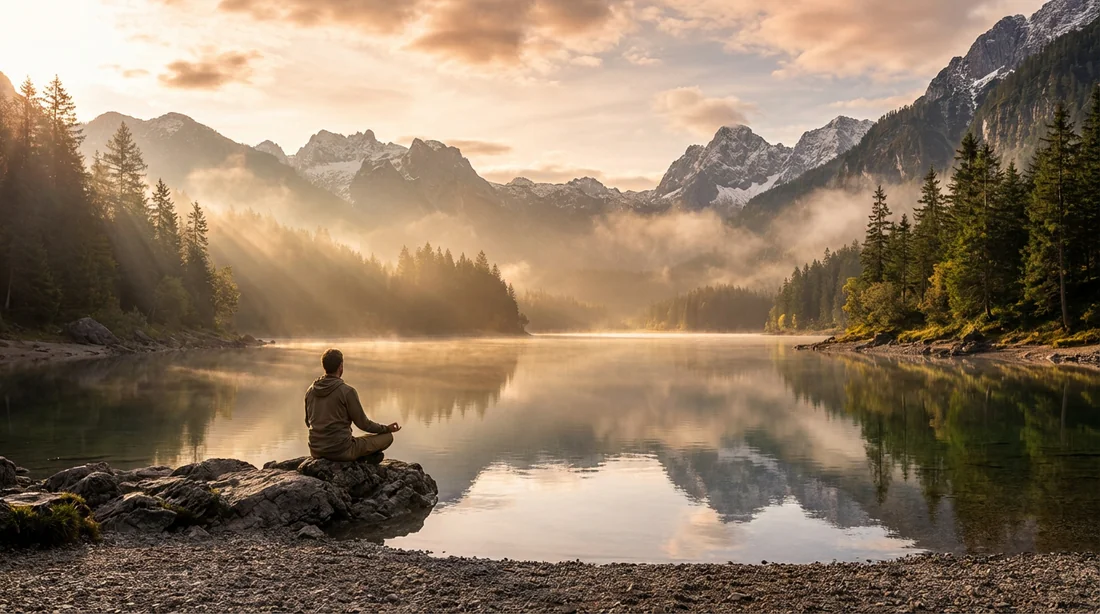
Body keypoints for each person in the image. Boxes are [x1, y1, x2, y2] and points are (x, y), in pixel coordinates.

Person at [304, 348, 401, 463]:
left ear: (324, 366)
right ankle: (362, 458)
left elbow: (308, 422)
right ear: (341, 366)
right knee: (387, 437)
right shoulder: (347, 391)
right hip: (341, 451)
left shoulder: (310, 391)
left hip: (316, 450)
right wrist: (386, 429)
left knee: (361, 439)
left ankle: (363, 457)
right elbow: (363, 424)